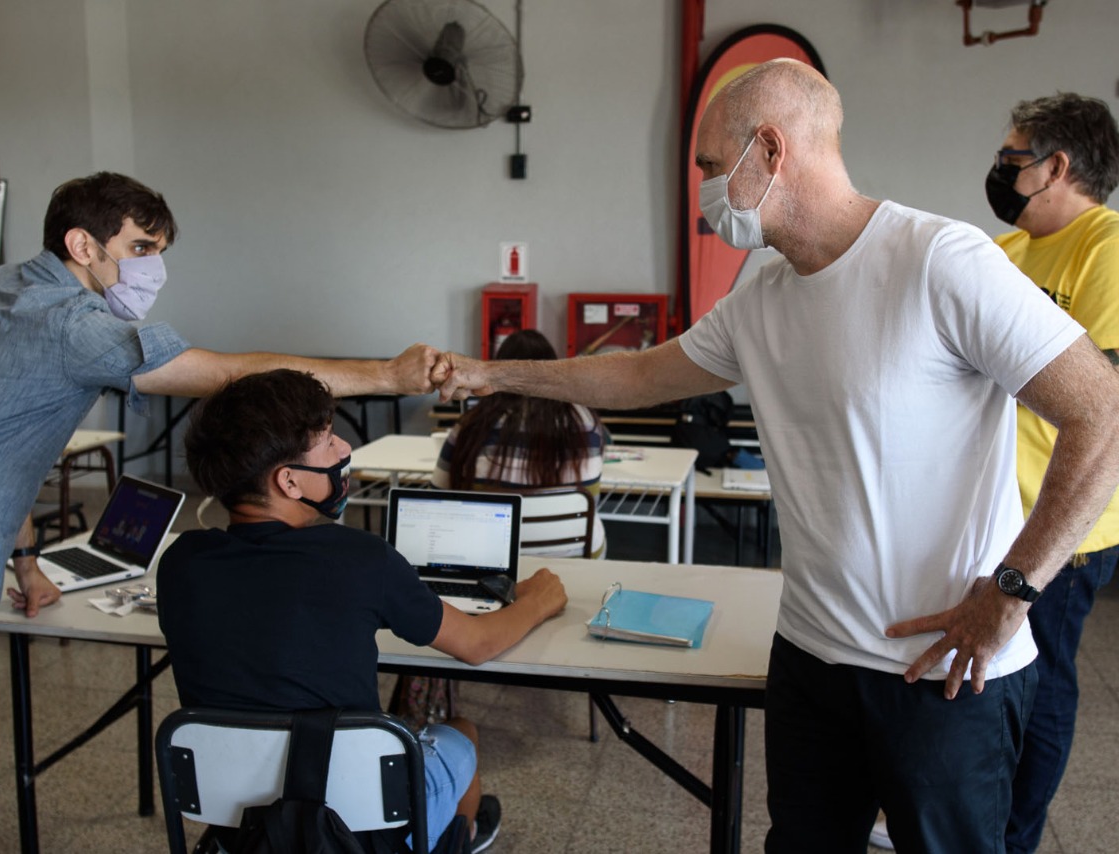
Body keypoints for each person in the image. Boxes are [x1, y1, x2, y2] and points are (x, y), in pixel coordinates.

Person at [431, 59, 1119, 852]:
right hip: (812, 657)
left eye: (712, 168)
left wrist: (1012, 589)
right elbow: (636, 374)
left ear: (769, 149)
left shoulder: (940, 261)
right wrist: (488, 373)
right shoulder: (761, 295)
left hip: (943, 671)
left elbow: (1100, 412)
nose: (706, 191)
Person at [0, 172, 439, 853]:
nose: (154, 266)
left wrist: (26, 562)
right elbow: (226, 375)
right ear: (83, 244)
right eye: (142, 247)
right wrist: (390, 376)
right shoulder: (72, 325)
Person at [157, 369, 568, 852]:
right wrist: (540, 599)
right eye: (328, 441)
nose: (345, 450)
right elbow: (477, 644)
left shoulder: (181, 562)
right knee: (461, 733)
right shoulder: (360, 559)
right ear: (288, 480)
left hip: (235, 820)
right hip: (359, 823)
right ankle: (461, 836)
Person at [986, 93, 1119, 854]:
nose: (1000, 172)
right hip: (996, 512)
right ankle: (974, 813)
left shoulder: (1105, 248)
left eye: (1012, 159)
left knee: (1040, 686)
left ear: (1055, 167)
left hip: (1067, 522)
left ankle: (1014, 836)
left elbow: (1105, 401)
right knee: (994, 678)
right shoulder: (1006, 252)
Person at [431, 329, 607, 558]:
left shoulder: (473, 423)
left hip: (487, 560)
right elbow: (592, 499)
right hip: (576, 555)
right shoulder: (585, 421)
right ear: (553, 368)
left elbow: (436, 496)